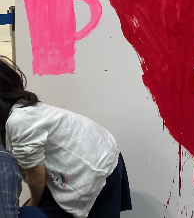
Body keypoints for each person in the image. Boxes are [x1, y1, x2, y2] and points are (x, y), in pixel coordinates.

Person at [0, 57, 131, 218]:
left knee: (32, 211)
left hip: (96, 165)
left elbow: (35, 173)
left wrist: (33, 203)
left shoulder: (19, 120)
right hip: (97, 153)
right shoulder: (20, 109)